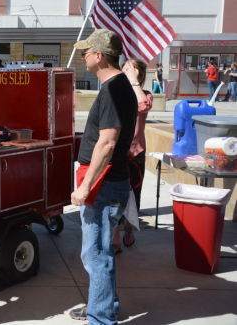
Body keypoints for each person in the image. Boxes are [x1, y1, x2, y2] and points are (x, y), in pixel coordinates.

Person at [69, 29, 137, 325]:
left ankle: (101, 318)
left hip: (104, 183)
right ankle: (104, 305)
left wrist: (85, 186)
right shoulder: (118, 86)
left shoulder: (113, 89)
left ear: (99, 55)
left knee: (95, 255)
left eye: (85, 52)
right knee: (97, 253)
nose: (82, 57)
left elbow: (107, 142)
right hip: (109, 181)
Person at [111, 58, 153, 254]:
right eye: (126, 70)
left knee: (133, 196)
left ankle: (129, 228)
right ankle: (115, 235)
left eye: (132, 71)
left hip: (135, 153)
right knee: (115, 196)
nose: (127, 74)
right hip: (117, 153)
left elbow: (142, 106)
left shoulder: (145, 95)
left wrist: (133, 80)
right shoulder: (118, 94)